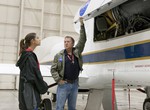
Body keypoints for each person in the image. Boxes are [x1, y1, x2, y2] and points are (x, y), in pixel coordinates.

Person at [51, 17, 86, 110]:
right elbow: (53, 69)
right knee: (59, 107)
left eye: (68, 42)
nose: (66, 43)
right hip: (64, 84)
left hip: (74, 84)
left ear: (73, 44)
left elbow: (83, 39)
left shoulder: (77, 52)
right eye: (65, 42)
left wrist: (82, 25)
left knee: (72, 107)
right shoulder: (59, 55)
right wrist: (58, 80)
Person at [16, 33, 48, 110]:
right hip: (30, 88)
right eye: (37, 38)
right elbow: (33, 75)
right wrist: (43, 85)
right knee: (32, 106)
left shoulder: (27, 54)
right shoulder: (29, 56)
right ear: (32, 41)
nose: (39, 39)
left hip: (28, 87)